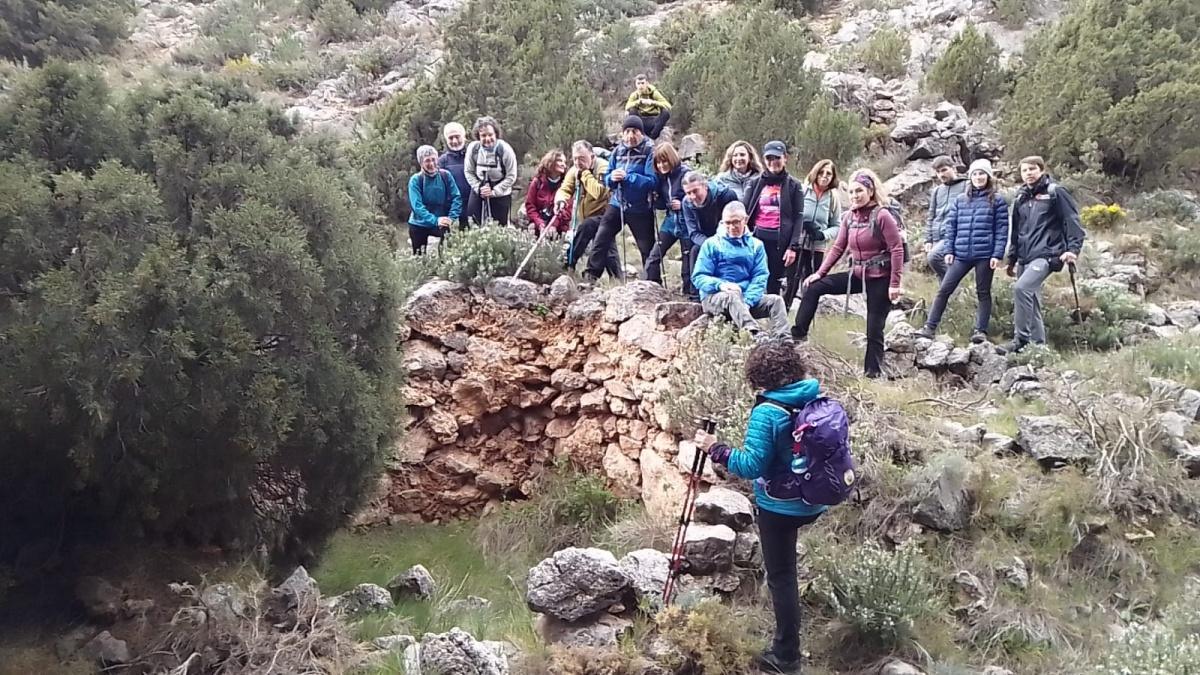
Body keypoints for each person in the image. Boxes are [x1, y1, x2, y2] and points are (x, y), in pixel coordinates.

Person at [692, 340, 825, 675]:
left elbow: (751, 466)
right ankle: (789, 647)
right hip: (815, 498)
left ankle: (786, 657)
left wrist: (715, 448)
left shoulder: (768, 412)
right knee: (786, 571)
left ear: (759, 378)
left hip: (781, 506)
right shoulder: (812, 393)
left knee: (782, 577)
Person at [792, 169, 904, 378]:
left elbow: (897, 249)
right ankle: (797, 338)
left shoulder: (882, 215)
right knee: (814, 287)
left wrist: (895, 283)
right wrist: (820, 273)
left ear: (870, 191)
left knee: (874, 328)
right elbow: (838, 248)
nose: (854, 196)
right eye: (851, 192)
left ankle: (872, 374)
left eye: (859, 191)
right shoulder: (849, 217)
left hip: (881, 277)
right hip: (859, 274)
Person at [915, 159, 1008, 343]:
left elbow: (1002, 230)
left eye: (982, 173)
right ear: (971, 177)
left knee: (983, 293)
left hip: (984, 255)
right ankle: (929, 328)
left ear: (988, 176)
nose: (978, 177)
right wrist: (949, 250)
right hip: (961, 254)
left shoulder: (997, 200)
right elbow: (952, 227)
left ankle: (980, 331)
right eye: (975, 174)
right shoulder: (961, 200)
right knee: (944, 290)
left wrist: (997, 254)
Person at [1003, 155, 1086, 354]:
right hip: (1025, 255)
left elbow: (1072, 221)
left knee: (1021, 288)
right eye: (1024, 170)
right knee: (1032, 302)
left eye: (1032, 169)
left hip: (1048, 254)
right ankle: (1039, 349)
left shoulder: (1055, 192)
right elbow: (1016, 230)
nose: (1028, 173)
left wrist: (1072, 250)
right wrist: (1012, 259)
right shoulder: (1021, 197)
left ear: (1041, 169)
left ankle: (1021, 340)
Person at [692, 201, 790, 339]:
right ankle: (754, 335)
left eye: (736, 222)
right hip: (715, 298)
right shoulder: (712, 244)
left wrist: (748, 302)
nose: (731, 227)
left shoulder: (756, 245)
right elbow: (699, 277)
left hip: (745, 298)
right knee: (732, 296)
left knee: (776, 301)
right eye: (727, 223)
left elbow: (760, 276)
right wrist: (721, 285)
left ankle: (784, 341)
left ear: (745, 219)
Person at [583, 116, 657, 282]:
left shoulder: (649, 151)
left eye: (634, 131)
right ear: (623, 134)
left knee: (646, 248)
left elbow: (652, 181)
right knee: (601, 239)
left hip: (641, 208)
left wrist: (628, 177)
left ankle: (652, 282)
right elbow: (607, 177)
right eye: (627, 131)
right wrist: (612, 179)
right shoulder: (617, 151)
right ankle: (590, 277)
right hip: (617, 203)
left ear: (641, 133)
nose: (630, 136)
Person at [743, 141, 806, 301]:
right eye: (769, 158)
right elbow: (745, 211)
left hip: (780, 242)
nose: (773, 162)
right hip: (757, 239)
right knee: (753, 277)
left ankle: (773, 318)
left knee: (774, 281)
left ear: (785, 158)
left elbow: (798, 217)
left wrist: (793, 247)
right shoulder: (755, 183)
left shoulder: (794, 186)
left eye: (777, 158)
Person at [556, 140, 621, 278]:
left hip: (607, 214)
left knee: (587, 227)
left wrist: (585, 174)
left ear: (591, 156)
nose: (578, 162)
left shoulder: (603, 167)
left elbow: (599, 192)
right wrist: (561, 199)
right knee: (606, 245)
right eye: (575, 159)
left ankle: (569, 262)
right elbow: (566, 188)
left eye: (582, 158)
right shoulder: (575, 171)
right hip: (589, 215)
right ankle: (617, 278)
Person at [644, 142, 694, 297]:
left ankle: (689, 296)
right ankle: (651, 291)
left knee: (688, 263)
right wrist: (654, 198)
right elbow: (661, 204)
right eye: (658, 162)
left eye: (664, 161)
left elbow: (698, 197)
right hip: (670, 221)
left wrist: (683, 203)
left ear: (671, 159)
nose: (661, 165)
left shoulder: (686, 173)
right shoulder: (661, 178)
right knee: (653, 257)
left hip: (687, 222)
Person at [794, 159, 843, 308]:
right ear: (815, 173)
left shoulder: (833, 198)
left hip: (818, 247)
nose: (824, 176)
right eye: (821, 172)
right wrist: (803, 225)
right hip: (798, 244)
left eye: (829, 173)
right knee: (792, 282)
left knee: (812, 285)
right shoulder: (802, 190)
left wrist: (823, 234)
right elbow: (792, 215)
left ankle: (804, 320)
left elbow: (836, 225)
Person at [682, 170, 740, 291]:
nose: (693, 196)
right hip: (705, 239)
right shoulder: (687, 203)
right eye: (688, 193)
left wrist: (722, 242)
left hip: (729, 236)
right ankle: (696, 294)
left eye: (695, 191)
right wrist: (710, 244)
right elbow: (693, 232)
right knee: (695, 251)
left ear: (705, 187)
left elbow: (737, 223)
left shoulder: (726, 196)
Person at [463, 116, 518, 227]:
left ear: (496, 134)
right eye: (483, 135)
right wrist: (479, 188)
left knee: (499, 227)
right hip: (479, 189)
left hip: (501, 192)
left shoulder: (505, 149)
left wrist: (494, 192)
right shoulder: (473, 149)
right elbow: (468, 172)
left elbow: (511, 176)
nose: (487, 139)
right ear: (478, 136)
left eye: (490, 135)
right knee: (474, 222)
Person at [407, 144, 461, 255]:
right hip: (419, 223)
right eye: (427, 161)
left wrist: (451, 218)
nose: (431, 164)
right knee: (419, 258)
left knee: (448, 254)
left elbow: (456, 197)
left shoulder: (446, 176)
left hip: (443, 221)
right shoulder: (416, 180)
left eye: (433, 160)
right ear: (421, 163)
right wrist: (435, 220)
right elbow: (417, 206)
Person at [924, 156, 968, 280]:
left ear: (953, 168)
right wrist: (928, 239)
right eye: (938, 172)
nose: (941, 175)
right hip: (937, 236)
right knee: (940, 273)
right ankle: (951, 297)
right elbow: (931, 216)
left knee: (933, 257)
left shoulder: (966, 185)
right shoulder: (937, 191)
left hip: (954, 236)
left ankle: (954, 285)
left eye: (944, 170)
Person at [524, 149, 572, 237]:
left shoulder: (566, 185)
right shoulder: (537, 182)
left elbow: (567, 211)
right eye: (560, 161)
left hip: (559, 227)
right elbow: (530, 206)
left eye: (564, 162)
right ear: (550, 162)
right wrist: (540, 224)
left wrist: (554, 225)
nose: (563, 165)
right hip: (539, 224)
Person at [437, 122, 471, 229]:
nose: (454, 141)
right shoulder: (442, 161)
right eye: (451, 138)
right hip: (451, 208)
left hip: (472, 205)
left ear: (464, 137)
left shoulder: (471, 156)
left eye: (457, 137)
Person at [624, 74, 672, 141]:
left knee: (665, 113)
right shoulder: (635, 95)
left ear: (647, 83)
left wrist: (653, 102)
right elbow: (627, 106)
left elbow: (668, 105)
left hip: (654, 120)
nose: (641, 86)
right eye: (638, 83)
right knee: (632, 111)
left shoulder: (654, 93)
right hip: (641, 120)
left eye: (643, 83)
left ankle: (652, 138)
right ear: (635, 84)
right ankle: (641, 136)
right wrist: (638, 102)